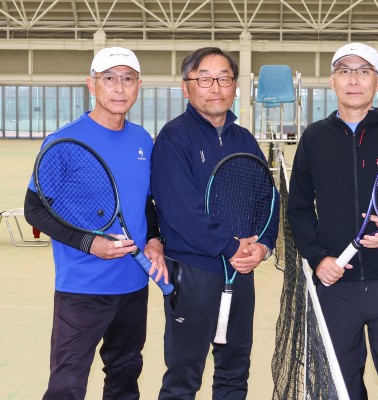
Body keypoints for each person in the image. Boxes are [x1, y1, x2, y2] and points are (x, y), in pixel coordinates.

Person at [24, 47, 168, 399]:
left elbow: (147, 202)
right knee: (67, 385)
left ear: (138, 86)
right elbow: (34, 210)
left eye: (128, 79)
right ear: (92, 84)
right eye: (109, 78)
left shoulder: (142, 140)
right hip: (82, 287)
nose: (119, 87)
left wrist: (154, 240)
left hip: (134, 284)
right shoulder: (63, 141)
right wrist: (91, 244)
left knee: (124, 377)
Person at [287, 42, 378, 400]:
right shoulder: (314, 137)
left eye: (364, 72)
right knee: (339, 387)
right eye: (345, 71)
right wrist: (319, 259)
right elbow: (298, 207)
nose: (353, 80)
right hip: (335, 283)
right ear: (332, 81)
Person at [151, 47, 279, 399]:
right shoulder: (174, 138)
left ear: (235, 86)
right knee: (183, 378)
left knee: (234, 374)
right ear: (186, 87)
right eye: (204, 79)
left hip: (240, 272)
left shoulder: (245, 139)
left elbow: (268, 198)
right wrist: (230, 246)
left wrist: (263, 246)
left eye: (224, 78)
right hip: (194, 274)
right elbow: (180, 209)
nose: (216, 87)